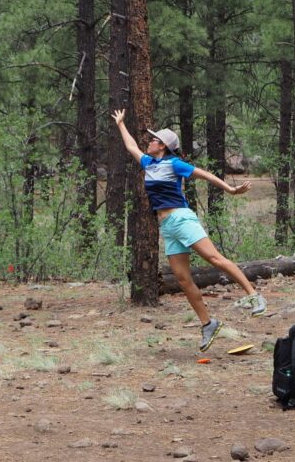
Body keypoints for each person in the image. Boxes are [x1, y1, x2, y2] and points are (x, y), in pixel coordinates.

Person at [112, 109, 266, 351]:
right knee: (183, 279)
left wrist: (230, 189)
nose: (149, 141)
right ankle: (208, 324)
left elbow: (203, 174)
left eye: (153, 139)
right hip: (168, 227)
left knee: (214, 258)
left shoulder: (174, 164)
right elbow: (131, 147)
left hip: (182, 219)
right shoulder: (148, 163)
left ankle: (253, 294)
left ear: (162, 145)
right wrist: (121, 124)